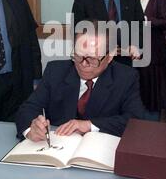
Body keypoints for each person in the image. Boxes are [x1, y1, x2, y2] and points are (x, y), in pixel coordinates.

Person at [16, 20, 145, 140]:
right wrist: (31, 129)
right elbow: (28, 109)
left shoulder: (126, 77)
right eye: (78, 56)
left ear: (110, 56)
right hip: (59, 148)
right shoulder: (55, 71)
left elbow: (135, 121)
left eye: (92, 59)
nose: (83, 64)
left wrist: (89, 125)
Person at [135, 0, 166, 121]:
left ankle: (162, 112)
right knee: (138, 78)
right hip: (135, 44)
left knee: (157, 80)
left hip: (154, 45)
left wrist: (146, 20)